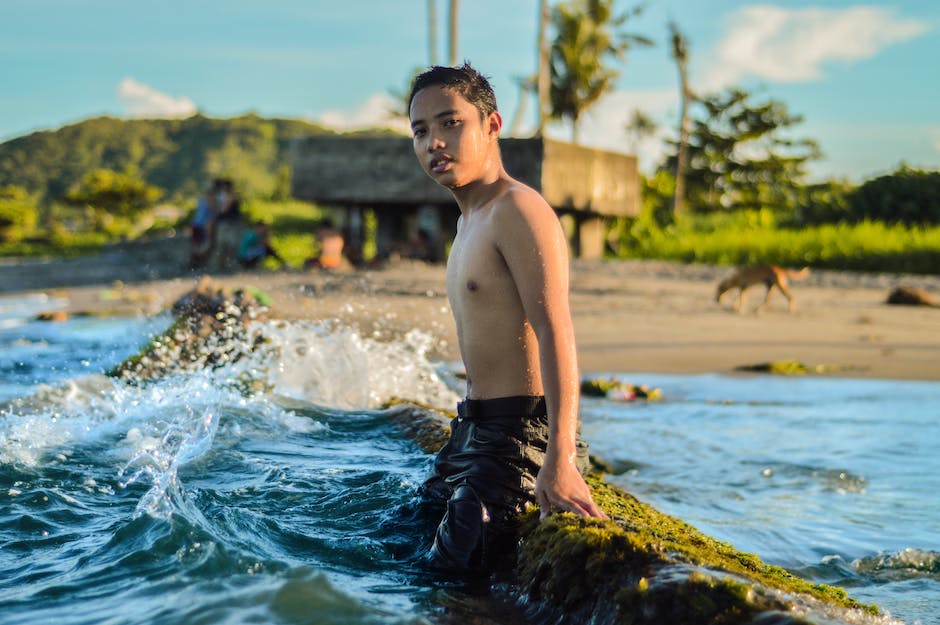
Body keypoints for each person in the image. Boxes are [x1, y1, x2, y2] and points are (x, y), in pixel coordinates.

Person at [408, 63, 606, 573]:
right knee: (407, 537)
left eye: (451, 123)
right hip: (472, 430)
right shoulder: (467, 221)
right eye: (421, 130)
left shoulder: (518, 209)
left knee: (453, 576)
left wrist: (558, 459)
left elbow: (555, 330)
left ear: (492, 125)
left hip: (523, 435)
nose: (435, 142)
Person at [189, 181, 220, 269]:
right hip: (201, 225)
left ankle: (195, 263)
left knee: (198, 245)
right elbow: (212, 213)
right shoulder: (208, 200)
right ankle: (196, 263)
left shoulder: (203, 200)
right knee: (199, 245)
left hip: (199, 224)